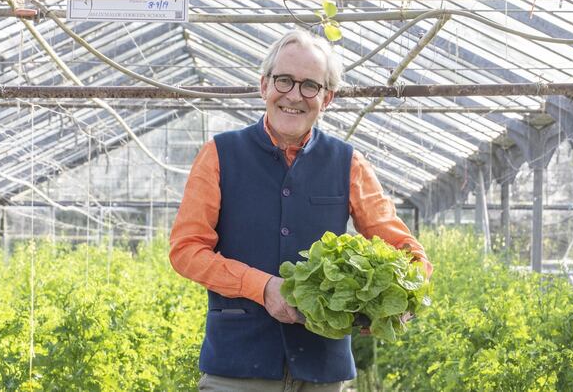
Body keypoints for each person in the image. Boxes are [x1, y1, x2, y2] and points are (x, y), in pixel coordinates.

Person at [169, 29, 432, 391]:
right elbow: (186, 250)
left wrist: (401, 296)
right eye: (284, 80)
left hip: (322, 369)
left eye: (310, 85)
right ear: (264, 85)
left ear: (327, 98)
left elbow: (403, 248)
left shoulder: (347, 163)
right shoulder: (219, 155)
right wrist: (262, 287)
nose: (294, 95)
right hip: (238, 366)